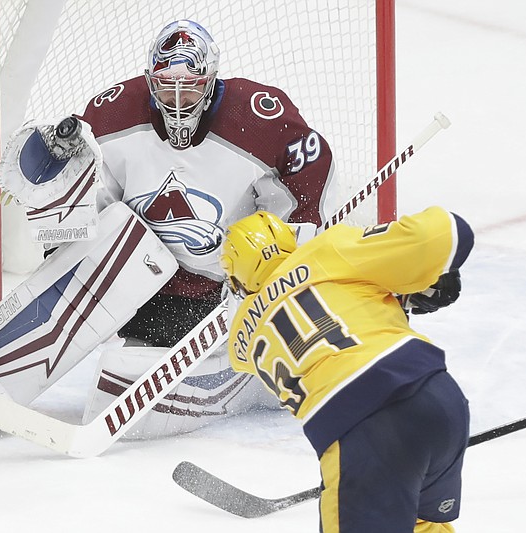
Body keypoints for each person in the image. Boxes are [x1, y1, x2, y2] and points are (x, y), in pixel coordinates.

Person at [69, 18, 344, 436]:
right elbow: (94, 198)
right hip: (147, 289)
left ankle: (263, 354)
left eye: (191, 87)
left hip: (228, 291)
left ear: (211, 81)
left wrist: (293, 254)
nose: (177, 100)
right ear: (149, 81)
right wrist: (67, 242)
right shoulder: (113, 115)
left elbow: (310, 167)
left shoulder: (260, 118)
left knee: (265, 262)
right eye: (165, 85)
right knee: (115, 243)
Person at [220, 207, 474, 532]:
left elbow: (303, 316)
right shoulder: (327, 250)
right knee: (422, 526)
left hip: (366, 429)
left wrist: (395, 294)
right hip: (439, 397)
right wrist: (416, 282)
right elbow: (450, 231)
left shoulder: (240, 342)